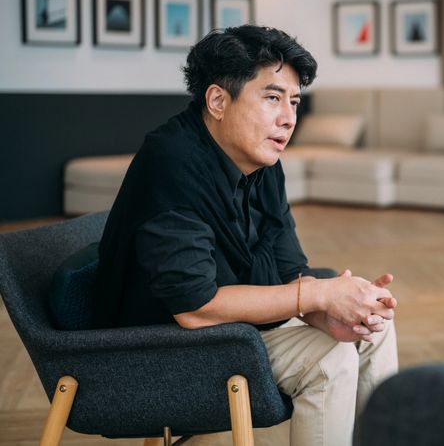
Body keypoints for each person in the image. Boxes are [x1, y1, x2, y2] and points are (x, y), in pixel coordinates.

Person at [94, 25, 398, 446]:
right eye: (272, 97)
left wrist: (327, 310)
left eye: (294, 101)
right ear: (218, 100)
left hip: (233, 330)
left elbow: (290, 270)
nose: (289, 118)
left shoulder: (263, 163)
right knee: (329, 359)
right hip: (159, 351)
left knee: (373, 327)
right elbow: (194, 308)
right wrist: (318, 296)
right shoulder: (172, 162)